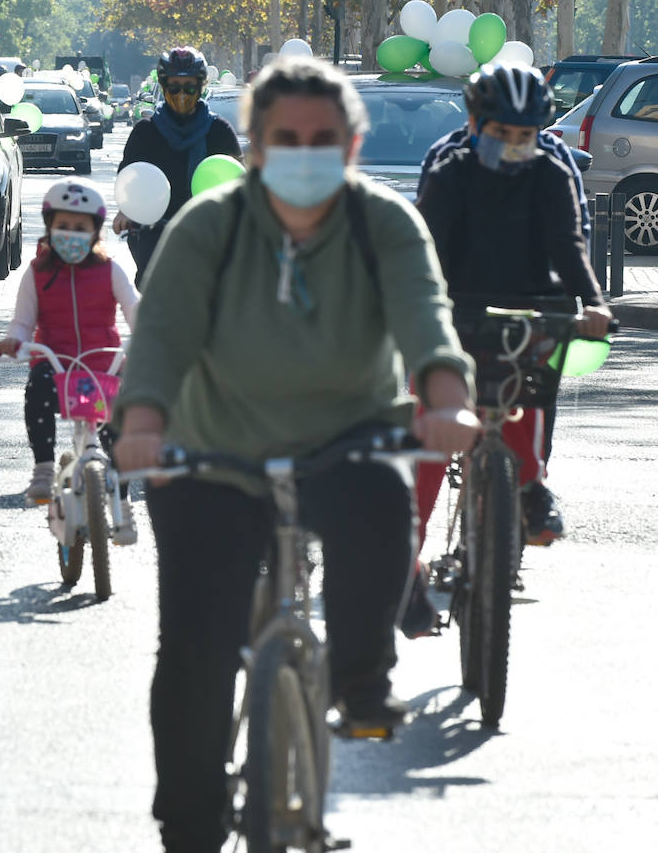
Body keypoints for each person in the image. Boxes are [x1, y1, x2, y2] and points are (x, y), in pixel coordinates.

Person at [111, 57, 481, 853]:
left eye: (324, 139)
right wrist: (140, 423)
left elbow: (425, 316)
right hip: (212, 451)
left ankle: (361, 679)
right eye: (286, 139)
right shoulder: (207, 226)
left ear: (351, 147)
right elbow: (164, 334)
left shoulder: (386, 222)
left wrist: (446, 399)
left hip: (348, 438)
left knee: (381, 503)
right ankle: (190, 821)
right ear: (253, 146)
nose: (305, 153)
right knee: (195, 652)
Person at [415, 63, 611, 550]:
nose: (513, 143)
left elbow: (568, 244)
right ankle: (406, 566)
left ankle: (531, 489)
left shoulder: (550, 168)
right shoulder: (448, 166)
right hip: (456, 304)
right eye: (500, 132)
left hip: (530, 301)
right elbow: (425, 252)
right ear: (474, 121)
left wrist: (593, 302)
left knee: (528, 393)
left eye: (525, 135)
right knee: (434, 430)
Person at [0, 178, 140, 536]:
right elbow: (23, 321)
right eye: (63, 227)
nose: (71, 235)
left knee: (117, 435)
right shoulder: (37, 273)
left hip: (101, 367)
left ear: (95, 232)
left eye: (80, 228)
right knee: (37, 387)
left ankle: (122, 505)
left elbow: (136, 310)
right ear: (49, 227)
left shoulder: (110, 270)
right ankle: (43, 468)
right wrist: (15, 341)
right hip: (55, 367)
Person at [114, 46, 243, 283]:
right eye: (174, 86)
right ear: (163, 87)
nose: (182, 94)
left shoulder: (220, 131)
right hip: (154, 235)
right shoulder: (145, 132)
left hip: (208, 236)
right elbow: (129, 178)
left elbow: (238, 186)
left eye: (190, 86)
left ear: (201, 87)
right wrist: (125, 210)